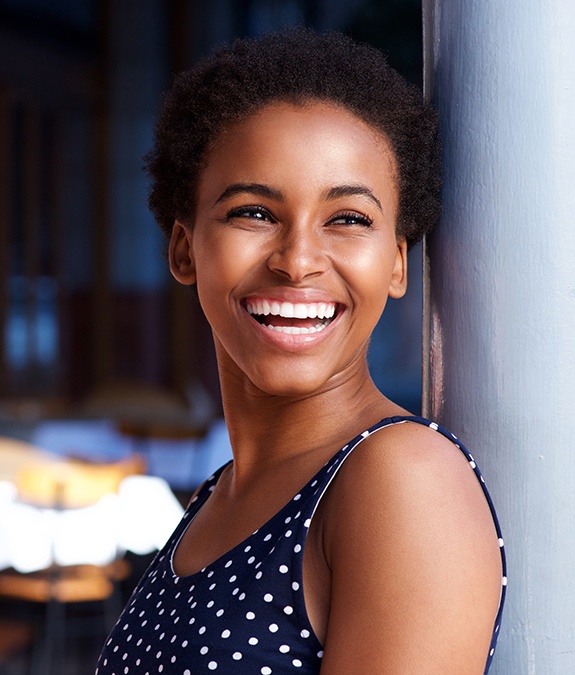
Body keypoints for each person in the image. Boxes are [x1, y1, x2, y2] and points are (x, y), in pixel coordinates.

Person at [96, 27, 505, 674]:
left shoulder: (400, 477)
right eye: (253, 212)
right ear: (183, 248)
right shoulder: (216, 498)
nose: (297, 262)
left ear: (396, 264)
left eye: (347, 219)